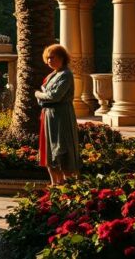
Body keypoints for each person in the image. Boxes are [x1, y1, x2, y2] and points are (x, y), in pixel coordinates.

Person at [35, 44, 81, 185]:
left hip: (61, 116)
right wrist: (43, 96)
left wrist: (38, 93)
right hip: (49, 116)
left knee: (62, 148)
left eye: (52, 57)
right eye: (47, 58)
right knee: (50, 151)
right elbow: (44, 98)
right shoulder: (52, 75)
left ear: (62, 58)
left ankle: (69, 185)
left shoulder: (66, 75)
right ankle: (55, 185)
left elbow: (54, 96)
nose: (49, 61)